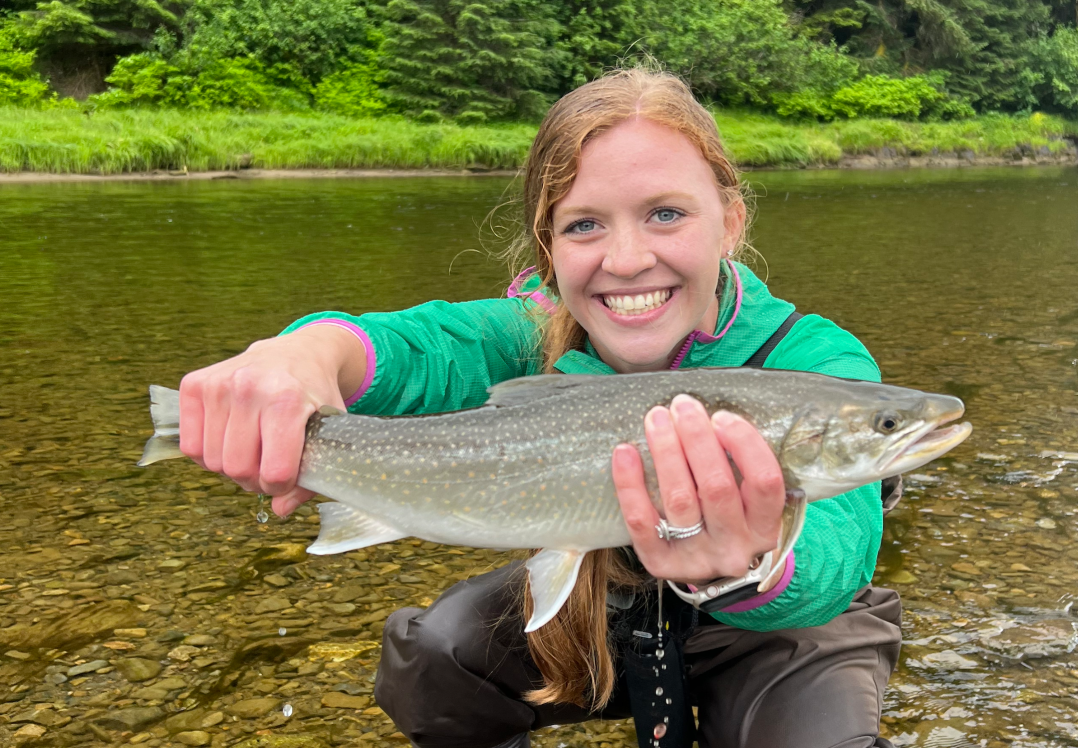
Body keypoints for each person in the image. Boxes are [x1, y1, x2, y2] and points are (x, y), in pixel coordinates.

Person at [177, 68, 901, 748]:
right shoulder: (531, 328)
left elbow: (841, 555)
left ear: (731, 221)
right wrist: (306, 353)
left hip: (779, 625)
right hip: (605, 607)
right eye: (584, 225)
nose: (625, 259)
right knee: (431, 657)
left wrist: (751, 568)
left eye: (666, 213)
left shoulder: (815, 362)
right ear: (549, 249)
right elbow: (418, 347)